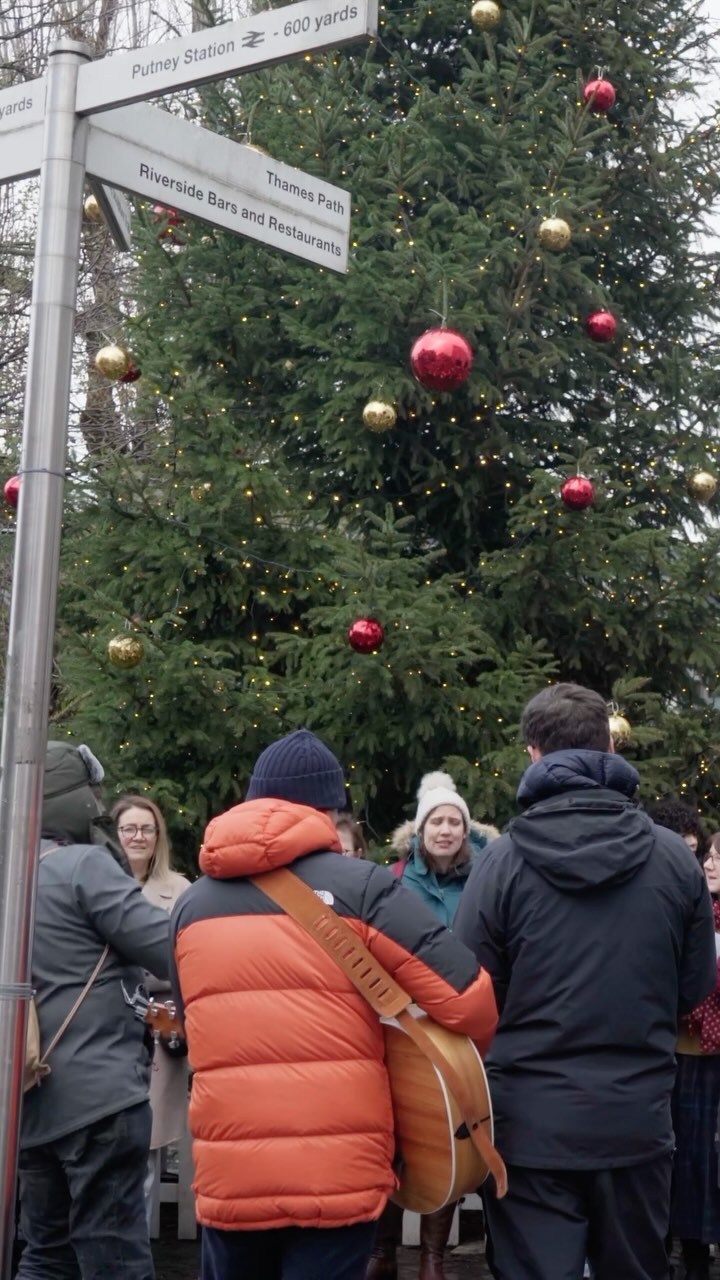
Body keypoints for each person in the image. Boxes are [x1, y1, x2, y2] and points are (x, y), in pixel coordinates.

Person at [169, 728, 498, 1280]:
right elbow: (471, 1002)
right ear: (328, 807)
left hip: (232, 1170)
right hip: (339, 1170)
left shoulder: (191, 905)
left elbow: (191, 1021)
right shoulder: (364, 887)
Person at [454, 683, 717, 1280]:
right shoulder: (673, 860)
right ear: (608, 747)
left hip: (530, 1122)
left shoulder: (503, 861)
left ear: (532, 755)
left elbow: (469, 989)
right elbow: (695, 983)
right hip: (635, 1118)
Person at [18, 741, 172, 1280]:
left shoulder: (11, 875)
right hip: (99, 1099)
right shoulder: (82, 865)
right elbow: (169, 948)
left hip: (29, 1097)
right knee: (114, 1258)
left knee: (45, 1254)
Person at [368, 771, 499, 1280]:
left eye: (454, 822)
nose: (445, 830)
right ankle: (381, 1251)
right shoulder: (393, 880)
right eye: (437, 821)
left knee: (445, 1133)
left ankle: (432, 1258)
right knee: (395, 1131)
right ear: (420, 830)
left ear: (465, 831)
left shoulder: (484, 880)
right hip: (399, 1023)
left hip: (457, 1024)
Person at [112, 794, 191, 1226]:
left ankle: (137, 1252)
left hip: (159, 1030)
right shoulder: (96, 881)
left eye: (146, 829)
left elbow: (189, 960)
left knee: (147, 1151)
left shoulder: (179, 890)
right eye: (129, 829)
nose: (137, 837)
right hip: (105, 1029)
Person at [669, 831, 720, 1280]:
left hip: (710, 1051)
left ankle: (699, 1247)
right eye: (710, 855)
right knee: (683, 1153)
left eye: (717, 858)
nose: (709, 864)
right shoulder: (690, 910)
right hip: (683, 1047)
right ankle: (683, 1246)